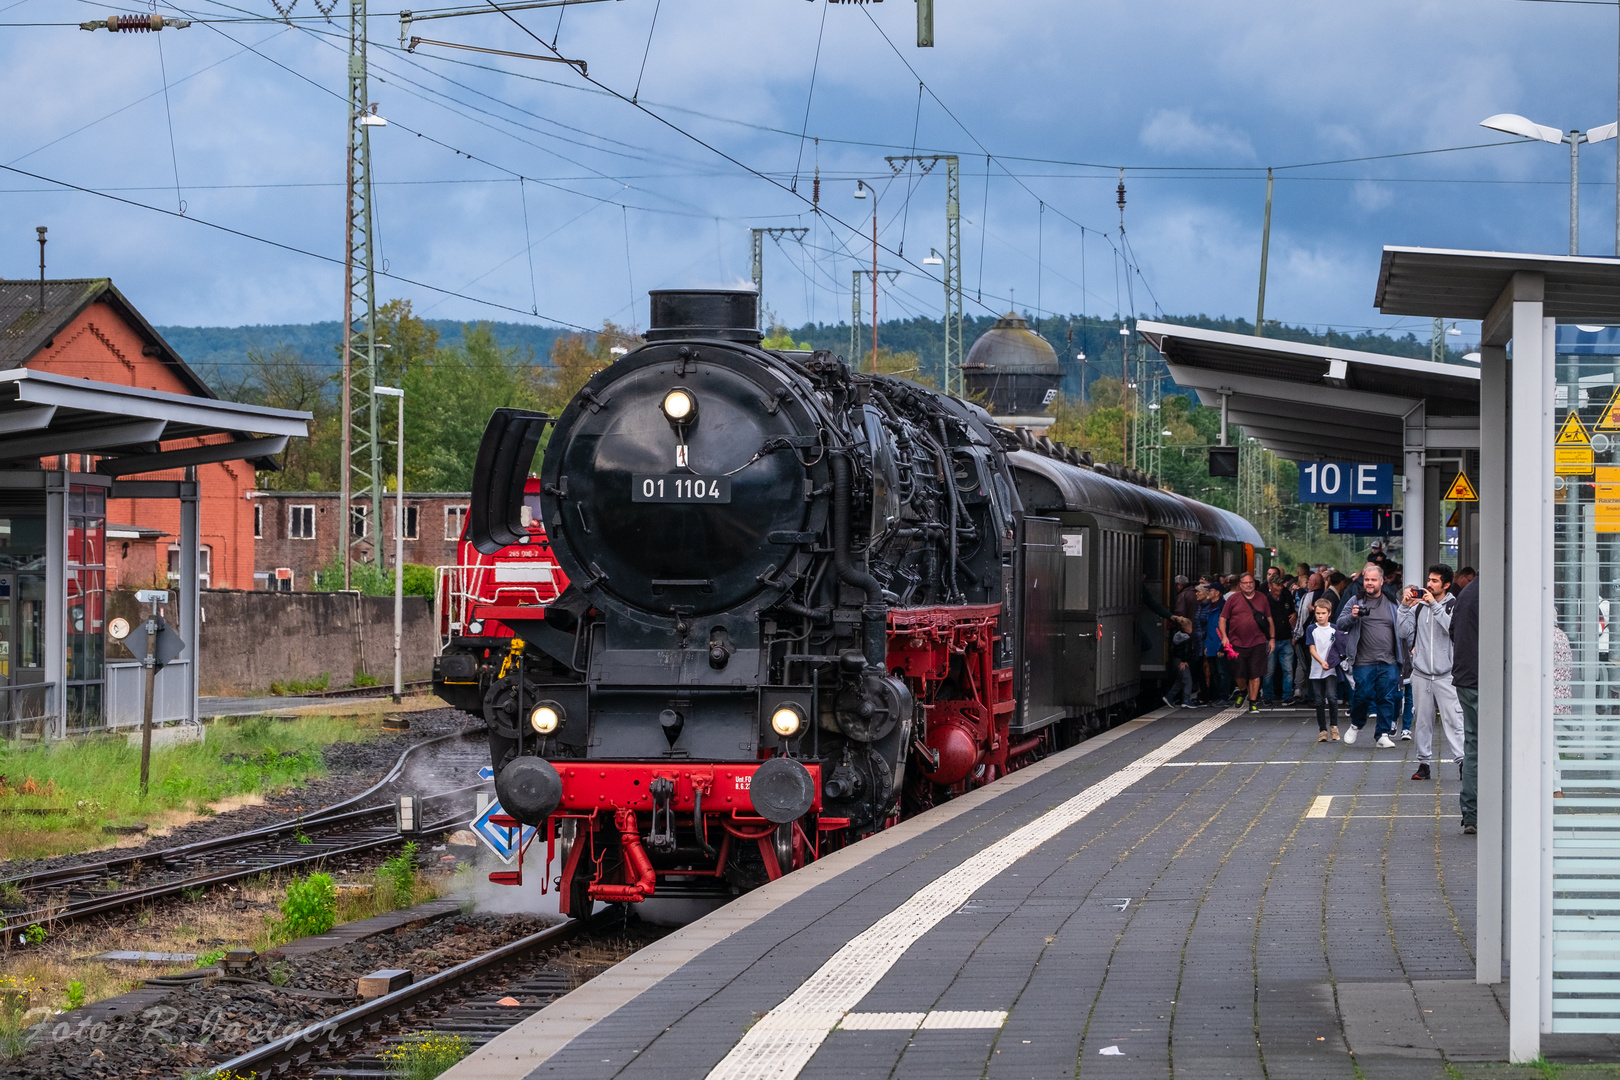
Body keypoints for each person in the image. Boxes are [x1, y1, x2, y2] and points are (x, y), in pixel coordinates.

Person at [1335, 563, 1412, 747]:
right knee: (1362, 695)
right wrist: (1352, 617)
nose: (1369, 583)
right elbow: (1340, 623)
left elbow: (1403, 626)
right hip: (1363, 660)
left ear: (1381, 581)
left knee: (1388, 697)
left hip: (1389, 659)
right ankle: (1356, 724)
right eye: (1366, 580)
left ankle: (1382, 735)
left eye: (1373, 580)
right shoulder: (1355, 600)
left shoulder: (1392, 602)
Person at [1399, 564, 1463, 781]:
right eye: (1429, 580)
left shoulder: (1453, 604)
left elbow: (1451, 629)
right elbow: (1402, 631)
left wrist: (1434, 605)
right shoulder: (1418, 607)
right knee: (1422, 721)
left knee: (1454, 720)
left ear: (1446, 584)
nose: (1429, 584)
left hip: (1446, 674)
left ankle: (1462, 762)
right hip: (1421, 673)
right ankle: (1423, 763)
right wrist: (1404, 607)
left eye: (1435, 581)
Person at [1219, 572, 1275, 712]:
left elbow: (1269, 619)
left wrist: (1272, 639)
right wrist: (1224, 637)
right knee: (1239, 673)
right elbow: (1222, 619)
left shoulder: (1262, 598)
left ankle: (1253, 702)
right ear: (1240, 585)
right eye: (1245, 583)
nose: (1248, 585)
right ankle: (1243, 691)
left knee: (1255, 673)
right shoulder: (1233, 599)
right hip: (1236, 642)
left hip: (1258, 641)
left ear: (1254, 584)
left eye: (1251, 582)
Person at [1451, 575, 1479, 834]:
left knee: (1473, 745)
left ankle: (1471, 813)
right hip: (1485, 682)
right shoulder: (1493, 595)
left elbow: (1452, 632)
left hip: (1465, 679)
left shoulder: (1466, 594)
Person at [1306, 597, 1341, 741]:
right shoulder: (1311, 629)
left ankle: (1334, 726)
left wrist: (1331, 662)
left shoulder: (1334, 628)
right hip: (1317, 669)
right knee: (1319, 700)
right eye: (1317, 613)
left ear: (1329, 613)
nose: (1320, 616)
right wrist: (1321, 662)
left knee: (1332, 698)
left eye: (1323, 613)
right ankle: (1322, 730)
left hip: (1331, 669)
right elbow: (1312, 648)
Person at [1264, 577, 1296, 705]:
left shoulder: (1286, 595)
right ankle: (1267, 696)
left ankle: (1287, 696)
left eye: (1281, 584)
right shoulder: (1265, 600)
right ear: (1270, 585)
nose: (1280, 587)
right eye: (1277, 585)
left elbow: (1292, 611)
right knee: (1269, 671)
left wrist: (1295, 614)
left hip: (1286, 637)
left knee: (1288, 670)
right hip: (1270, 639)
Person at [1196, 583, 1226, 703]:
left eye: (1210, 590)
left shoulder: (1222, 606)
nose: (1208, 592)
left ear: (1217, 592)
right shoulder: (1210, 606)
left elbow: (1225, 627)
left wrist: (1222, 647)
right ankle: (1217, 697)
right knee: (1214, 672)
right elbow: (1209, 628)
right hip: (1211, 644)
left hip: (1219, 643)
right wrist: (1207, 645)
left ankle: (1223, 697)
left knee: (1222, 672)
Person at [1164, 615, 1199, 710]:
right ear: (1188, 628)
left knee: (1179, 680)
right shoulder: (1186, 638)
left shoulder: (1177, 635)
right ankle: (1186, 700)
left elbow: (1174, 649)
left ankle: (1169, 696)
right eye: (1191, 627)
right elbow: (1186, 651)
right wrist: (1184, 661)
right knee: (1188, 680)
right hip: (1182, 661)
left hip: (1176, 660)